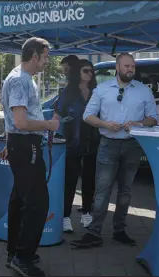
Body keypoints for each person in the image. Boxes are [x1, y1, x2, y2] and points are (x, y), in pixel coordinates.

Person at [71, 52, 159, 248]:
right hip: (108, 144)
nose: (130, 69)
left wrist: (138, 123)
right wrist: (104, 123)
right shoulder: (102, 89)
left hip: (132, 145)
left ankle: (119, 230)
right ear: (117, 68)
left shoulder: (143, 90)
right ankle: (94, 232)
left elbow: (153, 118)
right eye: (127, 66)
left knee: (126, 191)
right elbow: (88, 115)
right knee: (102, 190)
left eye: (133, 67)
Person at [0, 37, 59, 276]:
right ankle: (21, 257)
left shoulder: (21, 78)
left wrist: (8, 144)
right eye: (45, 57)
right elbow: (21, 121)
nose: (46, 62)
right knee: (37, 202)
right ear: (35, 56)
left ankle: (15, 252)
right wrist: (49, 125)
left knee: (20, 200)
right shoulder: (20, 81)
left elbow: (14, 121)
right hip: (26, 146)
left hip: (20, 145)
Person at [52, 59, 100, 233]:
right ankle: (65, 217)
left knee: (89, 179)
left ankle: (87, 212)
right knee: (70, 180)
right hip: (73, 141)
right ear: (78, 72)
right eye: (86, 71)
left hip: (93, 141)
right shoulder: (69, 91)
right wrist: (54, 126)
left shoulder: (97, 91)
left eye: (91, 71)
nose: (90, 74)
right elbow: (58, 111)